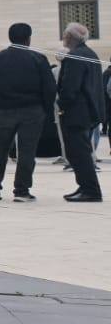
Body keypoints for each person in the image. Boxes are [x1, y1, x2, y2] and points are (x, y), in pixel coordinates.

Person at [0, 23, 56, 203]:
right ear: (28, 38)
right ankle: (21, 190)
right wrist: (44, 108)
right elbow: (49, 88)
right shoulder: (38, 59)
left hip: (5, 110)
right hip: (33, 111)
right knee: (27, 151)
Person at [57, 22, 105, 203]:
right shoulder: (90, 54)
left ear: (70, 37)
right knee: (81, 151)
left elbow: (70, 88)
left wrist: (62, 104)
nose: (63, 38)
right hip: (88, 111)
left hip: (76, 113)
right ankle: (85, 186)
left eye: (65, 35)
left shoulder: (75, 56)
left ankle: (90, 190)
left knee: (79, 153)